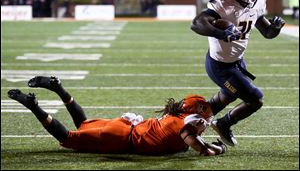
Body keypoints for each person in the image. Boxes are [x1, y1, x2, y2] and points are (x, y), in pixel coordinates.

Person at [7, 76, 227, 156]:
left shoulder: (175, 116)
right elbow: (201, 148)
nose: (206, 122)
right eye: (204, 117)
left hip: (124, 125)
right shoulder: (187, 124)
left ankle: (60, 89)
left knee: (82, 123)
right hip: (122, 138)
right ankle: (33, 106)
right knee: (67, 138)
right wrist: (220, 148)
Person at [190, 0, 285, 147]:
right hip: (220, 65)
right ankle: (223, 124)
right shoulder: (223, 3)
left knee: (228, 95)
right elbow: (197, 24)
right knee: (255, 99)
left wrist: (275, 29)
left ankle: (190, 123)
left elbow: (266, 32)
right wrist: (221, 33)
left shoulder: (256, 3)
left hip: (237, 61)